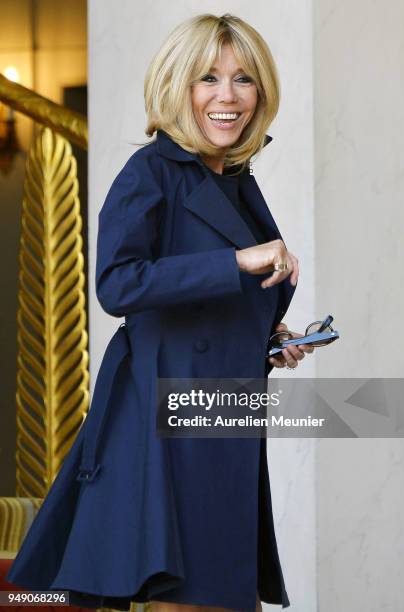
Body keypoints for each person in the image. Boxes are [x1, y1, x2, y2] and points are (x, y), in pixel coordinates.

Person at [6, 12, 314, 612]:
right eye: (209, 78)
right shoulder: (150, 171)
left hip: (224, 414)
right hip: (167, 420)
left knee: (231, 593)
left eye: (244, 79)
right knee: (192, 593)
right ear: (179, 86)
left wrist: (269, 340)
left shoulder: (235, 180)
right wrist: (237, 263)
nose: (228, 96)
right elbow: (119, 283)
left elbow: (206, 303)